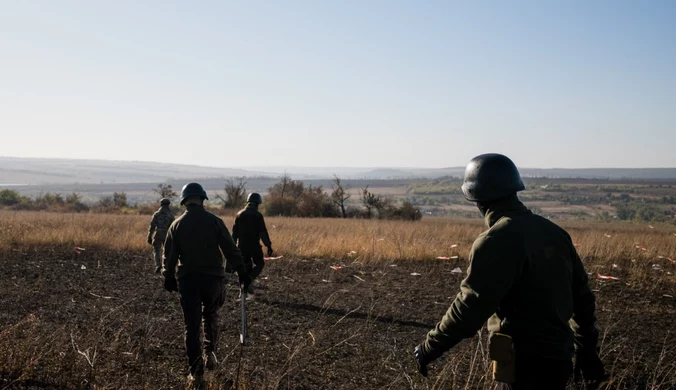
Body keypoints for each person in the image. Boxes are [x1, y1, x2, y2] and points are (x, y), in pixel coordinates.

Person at [413, 154, 606, 390]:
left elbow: (470, 307)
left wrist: (429, 348)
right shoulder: (554, 232)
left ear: (475, 197)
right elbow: (582, 298)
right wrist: (587, 350)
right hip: (558, 361)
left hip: (522, 366)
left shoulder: (495, 240)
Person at [162, 182, 251, 388]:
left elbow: (170, 257)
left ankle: (196, 374)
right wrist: (243, 272)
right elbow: (230, 249)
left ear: (184, 201)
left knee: (191, 326)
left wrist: (168, 277)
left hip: (188, 280)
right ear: (202, 199)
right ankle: (210, 352)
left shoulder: (176, 225)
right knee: (211, 315)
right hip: (213, 280)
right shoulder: (215, 221)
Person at [232, 192, 273, 297]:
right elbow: (262, 232)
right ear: (257, 203)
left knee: (245, 267)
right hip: (254, 246)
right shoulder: (258, 216)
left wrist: (232, 246)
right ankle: (248, 281)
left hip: (241, 246)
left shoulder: (239, 214)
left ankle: (243, 292)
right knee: (260, 264)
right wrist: (268, 245)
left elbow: (234, 232)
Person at [147, 197, 175, 273]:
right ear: (168, 205)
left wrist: (149, 236)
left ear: (161, 204)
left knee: (157, 250)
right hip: (167, 234)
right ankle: (165, 266)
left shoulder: (157, 214)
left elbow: (152, 226)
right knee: (167, 251)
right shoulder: (171, 215)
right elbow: (173, 227)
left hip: (158, 233)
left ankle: (158, 265)